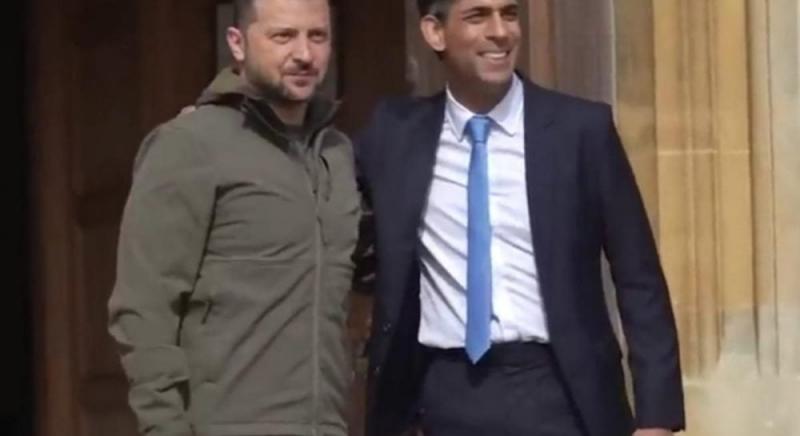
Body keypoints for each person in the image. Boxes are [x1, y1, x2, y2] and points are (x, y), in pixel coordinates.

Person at [356, 0, 685, 435]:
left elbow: (639, 278)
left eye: (509, 14)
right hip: (441, 395)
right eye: (478, 16)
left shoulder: (580, 130)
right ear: (435, 32)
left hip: (560, 394)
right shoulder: (395, 134)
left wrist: (656, 419)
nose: (501, 32)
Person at [107, 0, 361, 434]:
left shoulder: (337, 153)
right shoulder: (189, 145)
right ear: (237, 44)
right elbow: (143, 309)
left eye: (317, 36)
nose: (304, 54)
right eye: (283, 36)